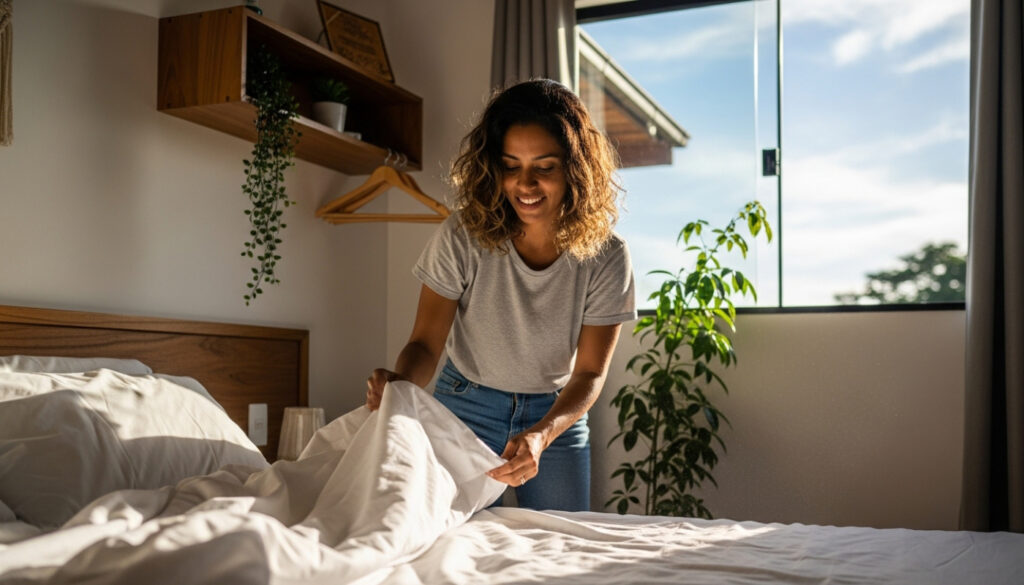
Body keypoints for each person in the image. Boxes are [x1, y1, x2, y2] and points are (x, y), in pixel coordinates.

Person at [365, 79, 636, 512]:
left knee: (561, 541)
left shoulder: (607, 256)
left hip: (554, 416)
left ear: (575, 170)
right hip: (464, 408)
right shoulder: (462, 235)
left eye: (544, 167)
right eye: (511, 166)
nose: (525, 184)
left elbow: (589, 374)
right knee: (453, 538)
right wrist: (400, 383)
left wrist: (543, 434)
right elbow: (425, 344)